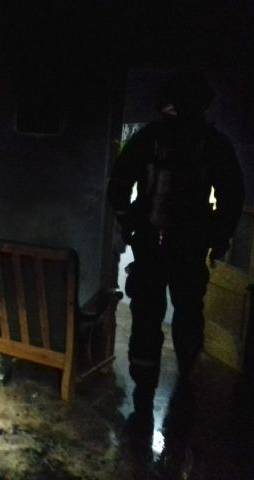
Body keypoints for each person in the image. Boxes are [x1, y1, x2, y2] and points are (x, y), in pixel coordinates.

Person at [107, 68, 245, 415]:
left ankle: (154, 389)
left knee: (161, 317)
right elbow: (232, 198)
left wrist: (129, 220)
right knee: (174, 315)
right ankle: (168, 385)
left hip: (170, 245)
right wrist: (217, 235)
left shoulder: (153, 137)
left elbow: (119, 185)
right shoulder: (208, 142)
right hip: (178, 246)